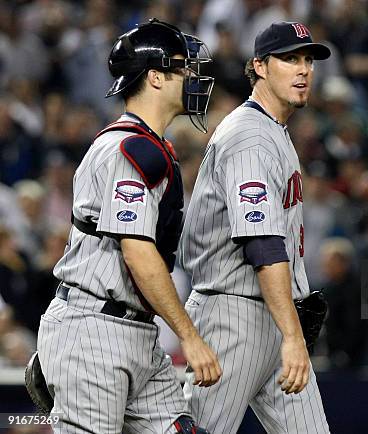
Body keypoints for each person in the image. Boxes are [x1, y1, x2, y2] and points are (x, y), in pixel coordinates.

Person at [35, 19, 221, 433]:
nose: (191, 76)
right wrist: (189, 337)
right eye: (181, 67)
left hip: (135, 331)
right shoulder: (128, 149)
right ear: (155, 77)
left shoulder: (149, 144)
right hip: (93, 331)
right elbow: (137, 251)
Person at [179, 21, 331, 433]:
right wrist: (293, 335)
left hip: (271, 316)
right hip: (233, 316)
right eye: (289, 59)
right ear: (259, 67)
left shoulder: (273, 131)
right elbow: (262, 243)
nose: (303, 70)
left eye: (307, 60)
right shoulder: (250, 136)